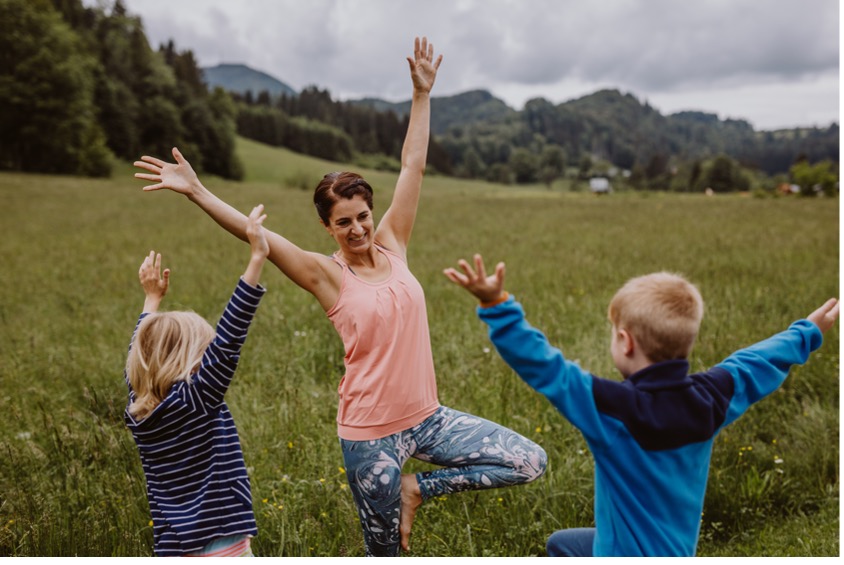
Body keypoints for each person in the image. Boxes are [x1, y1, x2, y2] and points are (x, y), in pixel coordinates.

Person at [133, 37, 547, 557]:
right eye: (344, 222)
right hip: (369, 435)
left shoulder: (394, 243)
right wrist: (197, 191)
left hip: (429, 418)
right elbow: (256, 235)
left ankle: (416, 490)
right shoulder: (326, 275)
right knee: (385, 553)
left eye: (363, 216)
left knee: (528, 460)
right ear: (327, 227)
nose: (357, 230)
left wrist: (421, 96)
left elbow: (412, 167)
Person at [444, 254, 839, 557]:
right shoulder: (711, 398)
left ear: (625, 341)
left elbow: (547, 368)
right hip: (676, 553)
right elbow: (754, 363)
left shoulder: (614, 410)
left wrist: (496, 304)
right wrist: (806, 332)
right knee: (562, 544)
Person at [124, 205, 269, 557]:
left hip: (173, 548)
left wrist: (151, 300)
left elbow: (139, 353)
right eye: (204, 350)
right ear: (190, 358)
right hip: (224, 546)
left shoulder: (139, 412)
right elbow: (229, 338)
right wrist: (257, 258)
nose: (208, 357)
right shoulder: (198, 399)